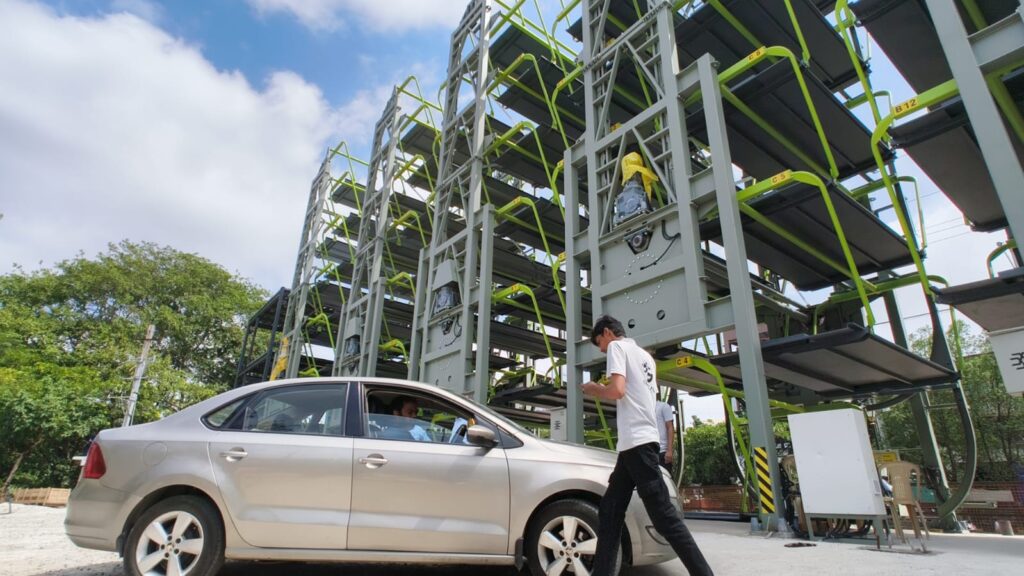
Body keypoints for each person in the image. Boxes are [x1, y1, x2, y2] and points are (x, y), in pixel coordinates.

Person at [581, 315, 713, 576]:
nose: (601, 350)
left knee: (664, 518)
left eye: (599, 343)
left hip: (637, 444)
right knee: (610, 511)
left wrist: (595, 389)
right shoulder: (645, 356)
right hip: (636, 444)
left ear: (607, 333)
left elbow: (617, 390)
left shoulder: (617, 347)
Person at [656, 400, 675, 472]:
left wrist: (669, 450)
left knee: (664, 476)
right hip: (647, 452)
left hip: (662, 451)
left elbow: (670, 427)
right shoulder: (643, 408)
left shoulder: (663, 406)